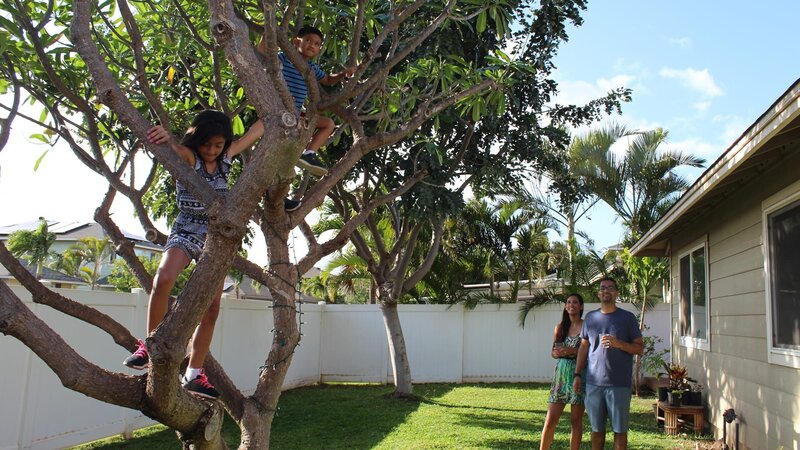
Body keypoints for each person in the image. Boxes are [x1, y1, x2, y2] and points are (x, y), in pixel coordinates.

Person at [123, 110, 268, 399]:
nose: (212, 151)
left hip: (216, 238)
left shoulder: (226, 156)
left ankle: (194, 373)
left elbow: (255, 132)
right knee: (162, 280)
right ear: (196, 139)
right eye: (207, 145)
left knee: (212, 308)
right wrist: (165, 139)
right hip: (187, 229)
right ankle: (150, 347)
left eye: (218, 145)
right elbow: (176, 151)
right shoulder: (191, 158)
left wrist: (285, 112)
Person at [258, 26, 355, 177]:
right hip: (279, 109)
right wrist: (267, 33)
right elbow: (262, 54)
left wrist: (343, 73)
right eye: (308, 40)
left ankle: (309, 153)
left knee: (328, 124)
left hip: (296, 114)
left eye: (317, 44)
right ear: (297, 42)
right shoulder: (283, 58)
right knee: (279, 153)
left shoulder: (312, 68)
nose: (312, 45)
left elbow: (328, 80)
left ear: (319, 49)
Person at [573, 277, 643, 450]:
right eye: (602, 288)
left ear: (616, 293)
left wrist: (619, 344)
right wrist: (577, 374)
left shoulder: (627, 318)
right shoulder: (590, 318)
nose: (606, 290)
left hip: (618, 384)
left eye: (610, 287)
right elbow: (584, 347)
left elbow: (639, 348)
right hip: (593, 384)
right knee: (596, 431)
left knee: (619, 431)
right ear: (599, 293)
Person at [539, 293, 586, 450]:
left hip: (578, 376)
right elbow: (553, 351)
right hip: (560, 377)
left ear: (581, 306)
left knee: (575, 420)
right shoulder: (560, 327)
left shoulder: (586, 327)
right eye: (568, 302)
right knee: (550, 419)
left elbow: (587, 351)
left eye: (575, 302)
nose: (571, 305)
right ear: (565, 307)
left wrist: (570, 350)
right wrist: (558, 352)